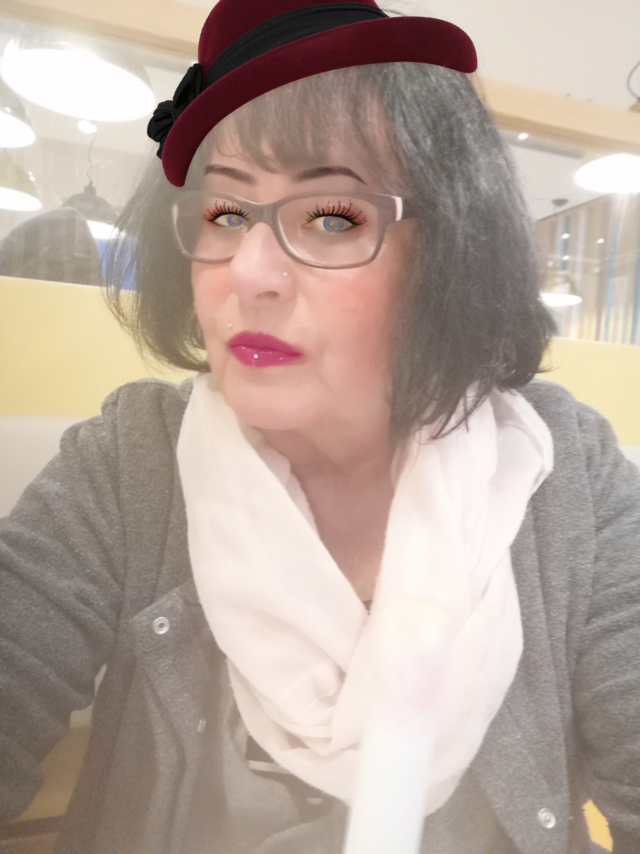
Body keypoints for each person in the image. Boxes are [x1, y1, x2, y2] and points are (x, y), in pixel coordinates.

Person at [1, 1, 639, 852]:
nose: (249, 273)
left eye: (332, 217)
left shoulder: (564, 476)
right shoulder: (133, 462)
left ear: (447, 253)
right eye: (225, 214)